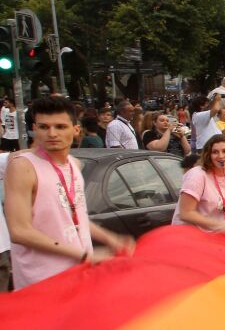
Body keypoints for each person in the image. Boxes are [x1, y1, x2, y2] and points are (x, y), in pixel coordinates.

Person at [4, 96, 134, 289]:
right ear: (35, 129)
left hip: (79, 274)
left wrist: (110, 238)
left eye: (60, 127)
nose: (52, 133)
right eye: (43, 127)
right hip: (43, 280)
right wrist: (84, 255)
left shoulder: (75, 164)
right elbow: (19, 231)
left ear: (75, 130)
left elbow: (74, 217)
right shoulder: (23, 166)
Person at [172, 134, 225, 234]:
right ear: (209, 155)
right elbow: (186, 213)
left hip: (215, 236)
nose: (221, 156)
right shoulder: (197, 175)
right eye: (215, 152)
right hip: (188, 236)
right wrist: (222, 225)